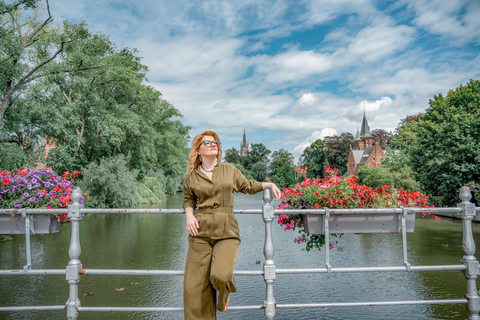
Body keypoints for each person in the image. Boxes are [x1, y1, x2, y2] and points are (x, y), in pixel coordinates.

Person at [183, 130, 281, 320]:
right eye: (208, 143)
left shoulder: (229, 170)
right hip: (199, 234)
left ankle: (223, 295)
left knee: (221, 276)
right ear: (198, 150)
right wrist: (189, 215)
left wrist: (268, 185)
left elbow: (247, 186)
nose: (213, 144)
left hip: (226, 232)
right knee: (193, 289)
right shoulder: (192, 176)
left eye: (215, 142)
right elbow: (188, 200)